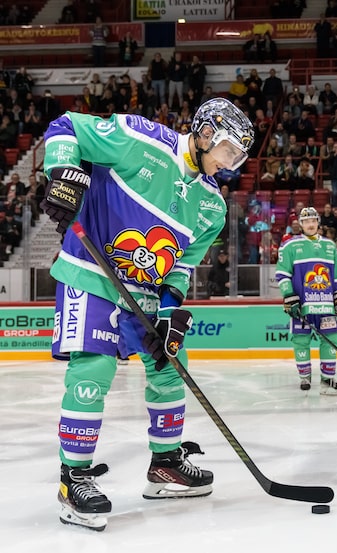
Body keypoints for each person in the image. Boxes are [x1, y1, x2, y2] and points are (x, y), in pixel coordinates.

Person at [41, 97, 254, 531]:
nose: (231, 165)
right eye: (228, 152)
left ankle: (165, 464)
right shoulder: (141, 139)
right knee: (94, 369)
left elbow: (181, 264)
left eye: (238, 158)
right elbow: (66, 127)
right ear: (207, 132)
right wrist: (61, 174)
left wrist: (171, 310)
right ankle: (73, 478)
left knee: (170, 366)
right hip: (91, 273)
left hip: (146, 294)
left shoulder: (213, 205)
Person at [276, 207, 337, 394]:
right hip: (302, 304)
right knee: (300, 340)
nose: (310, 224)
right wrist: (289, 296)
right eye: (306, 221)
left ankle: (328, 378)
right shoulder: (290, 245)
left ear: (318, 222)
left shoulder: (330, 246)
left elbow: (336, 276)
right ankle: (305, 378)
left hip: (326, 304)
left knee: (331, 339)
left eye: (313, 221)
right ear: (300, 224)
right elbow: (282, 274)